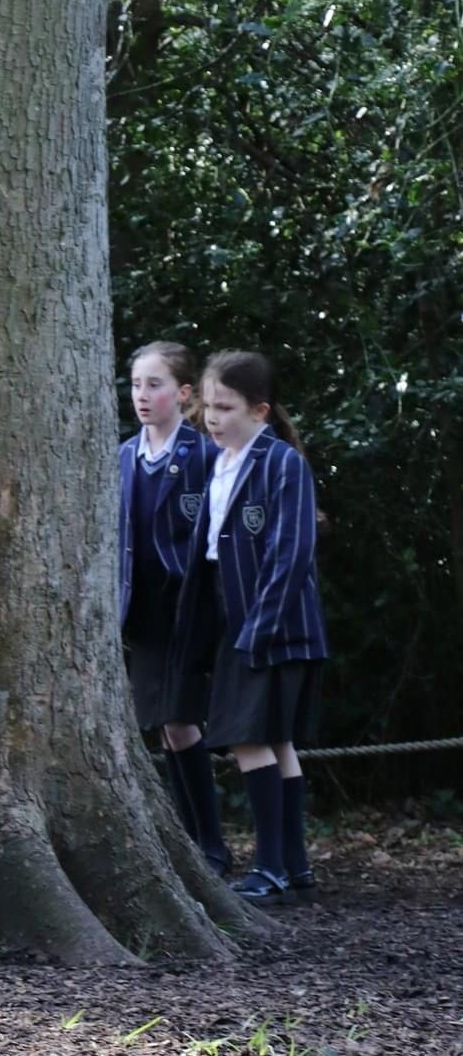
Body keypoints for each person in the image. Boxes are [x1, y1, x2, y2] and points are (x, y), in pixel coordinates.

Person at [172, 350, 328, 901]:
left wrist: (257, 630)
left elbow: (292, 553)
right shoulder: (218, 462)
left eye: (226, 407)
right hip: (230, 618)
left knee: (247, 739)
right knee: (277, 742)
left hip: (273, 625)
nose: (213, 418)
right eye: (208, 407)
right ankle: (294, 866)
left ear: (260, 410)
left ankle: (269, 867)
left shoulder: (281, 462)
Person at [118, 341, 230, 874]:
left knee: (183, 722)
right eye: (137, 384)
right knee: (163, 727)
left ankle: (210, 844)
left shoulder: (205, 455)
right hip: (141, 612)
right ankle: (188, 839)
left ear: (184, 395)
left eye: (154, 384)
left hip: (187, 608)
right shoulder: (121, 456)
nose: (142, 395)